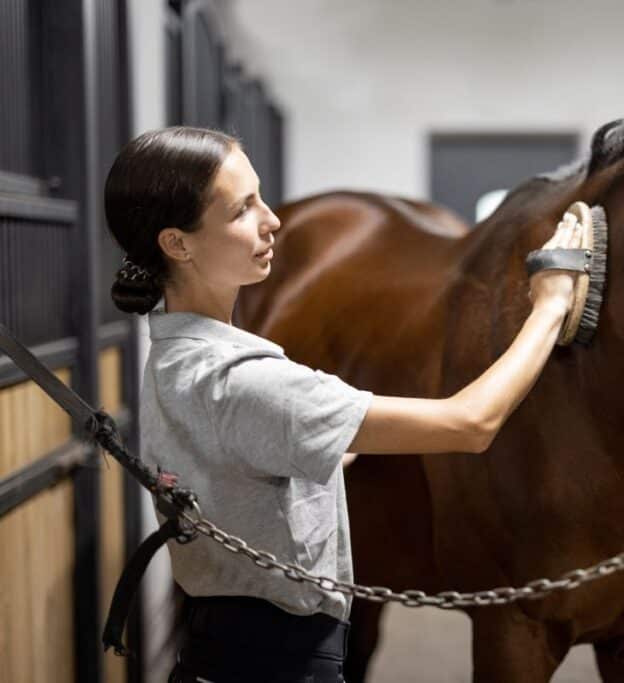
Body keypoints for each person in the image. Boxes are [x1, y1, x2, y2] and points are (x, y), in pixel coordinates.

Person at [103, 126, 584, 682]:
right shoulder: (247, 381)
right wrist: (549, 305)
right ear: (177, 244)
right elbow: (472, 422)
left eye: (260, 196)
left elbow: (247, 455)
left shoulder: (176, 354)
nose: (271, 220)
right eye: (241, 210)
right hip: (282, 659)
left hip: (228, 643)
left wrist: (342, 441)